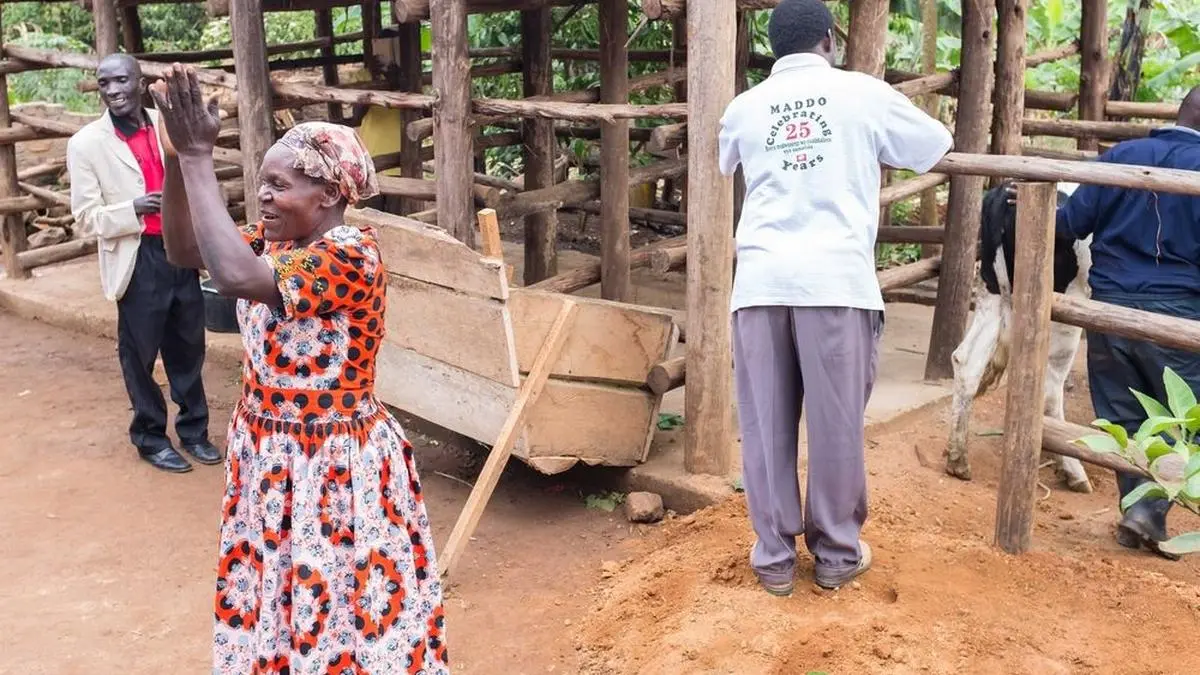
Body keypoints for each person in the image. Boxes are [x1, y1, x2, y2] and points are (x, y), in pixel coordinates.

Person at [149, 63, 448, 673]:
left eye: (278, 185)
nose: (264, 196)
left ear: (330, 194)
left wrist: (204, 155)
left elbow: (233, 277)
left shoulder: (349, 257)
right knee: (278, 597)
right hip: (270, 457)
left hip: (333, 467)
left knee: (340, 603)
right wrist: (179, 156)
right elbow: (185, 250)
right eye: (261, 183)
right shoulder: (276, 242)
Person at [718, 0, 953, 595]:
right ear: (830, 38)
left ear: (774, 48)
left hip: (762, 282)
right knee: (836, 425)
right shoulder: (861, 93)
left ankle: (773, 559)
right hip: (836, 282)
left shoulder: (744, 108)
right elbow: (934, 142)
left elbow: (728, 161)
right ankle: (836, 556)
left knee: (764, 422)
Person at [1050, 85, 1200, 561]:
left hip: (1108, 310)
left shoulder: (1121, 157)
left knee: (1122, 415)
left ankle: (1140, 510)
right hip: (1179, 313)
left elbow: (1068, 224)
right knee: (1181, 419)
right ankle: (1150, 513)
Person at [67, 53, 219, 474]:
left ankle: (194, 431)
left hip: (180, 250)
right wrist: (131, 208)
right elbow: (85, 218)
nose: (113, 90)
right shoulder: (86, 144)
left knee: (188, 346)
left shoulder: (168, 124)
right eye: (104, 83)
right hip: (138, 256)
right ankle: (151, 437)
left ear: (140, 82)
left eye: (120, 81)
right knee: (140, 353)